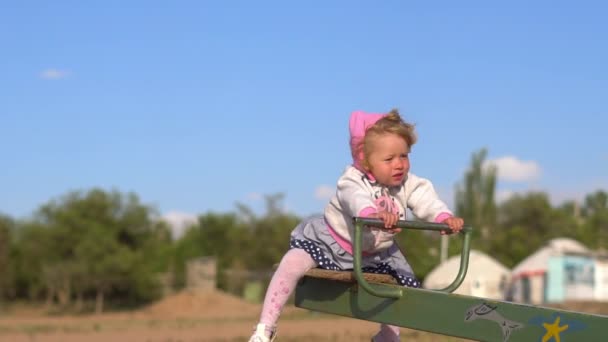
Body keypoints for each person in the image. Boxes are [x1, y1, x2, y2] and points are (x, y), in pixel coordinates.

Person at [248, 109, 464, 342]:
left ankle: (388, 336)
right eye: (389, 159)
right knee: (292, 262)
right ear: (365, 160)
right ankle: (265, 328)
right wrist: (372, 213)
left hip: (376, 254)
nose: (399, 165)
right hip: (332, 242)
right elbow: (354, 198)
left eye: (404, 156)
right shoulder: (353, 178)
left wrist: (443, 217)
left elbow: (426, 200)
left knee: (398, 288)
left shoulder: (408, 184)